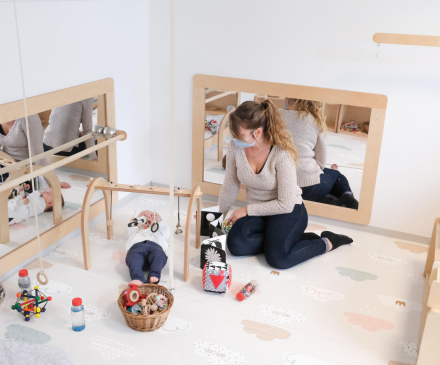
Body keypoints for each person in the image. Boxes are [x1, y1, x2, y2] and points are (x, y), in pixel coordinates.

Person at [219, 100, 352, 270]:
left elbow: (286, 203)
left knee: (278, 259)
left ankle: (329, 241)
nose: (234, 139)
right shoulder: (235, 147)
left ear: (257, 132)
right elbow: (230, 185)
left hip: (288, 210)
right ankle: (285, 240)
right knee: (236, 245)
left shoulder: (282, 154)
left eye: (239, 135)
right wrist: (217, 217)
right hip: (260, 210)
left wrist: (246, 210)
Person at [279, 98, 358, 209]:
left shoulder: (275, 115)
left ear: (288, 98)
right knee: (336, 175)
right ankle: (347, 196)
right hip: (308, 187)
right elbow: (321, 159)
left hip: (278, 187)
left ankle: (325, 198)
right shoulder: (314, 121)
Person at [125, 211, 169, 285]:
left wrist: (159, 221)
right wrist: (141, 220)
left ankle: (154, 275)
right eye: (143, 215)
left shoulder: (157, 229)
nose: (147, 217)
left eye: (151, 216)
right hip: (137, 245)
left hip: (156, 246)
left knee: (160, 255)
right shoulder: (137, 228)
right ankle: (138, 278)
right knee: (133, 256)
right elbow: (130, 227)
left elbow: (166, 233)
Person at [0, 115, 48, 182]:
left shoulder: (29, 117)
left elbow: (37, 153)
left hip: (25, 171)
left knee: (25, 189)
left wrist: (51, 181)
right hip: (5, 165)